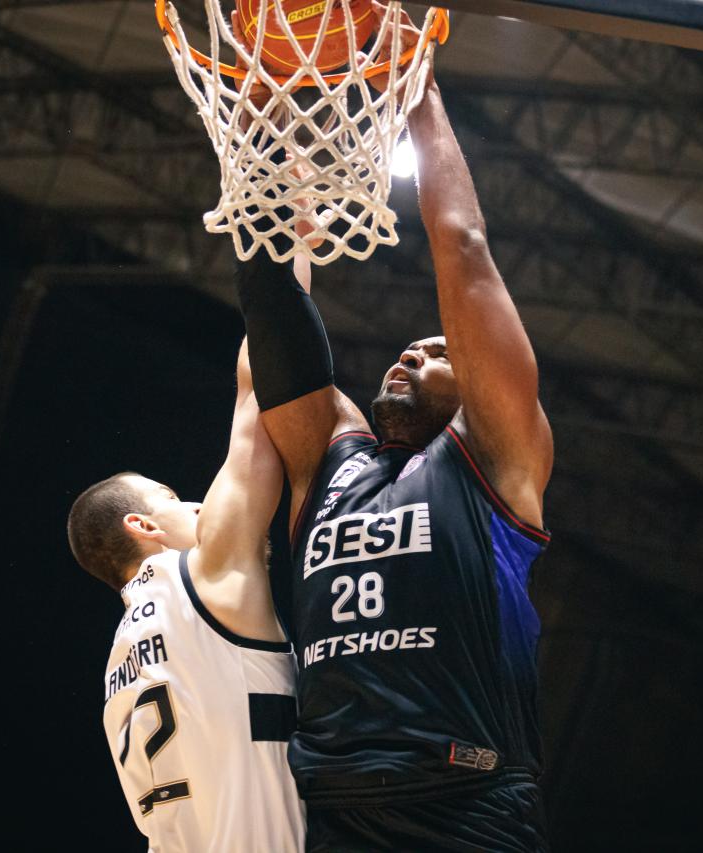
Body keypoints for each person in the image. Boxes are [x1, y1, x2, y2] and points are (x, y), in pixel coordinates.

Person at [234, 60, 555, 852]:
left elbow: (463, 246)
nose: (412, 355)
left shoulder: (498, 463)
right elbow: (273, 306)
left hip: (464, 805)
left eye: (438, 353)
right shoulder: (328, 462)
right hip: (336, 807)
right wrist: (262, 134)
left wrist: (419, 94)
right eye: (408, 351)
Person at [66, 290, 317, 851]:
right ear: (143, 526)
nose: (196, 506)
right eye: (172, 497)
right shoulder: (202, 581)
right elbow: (255, 400)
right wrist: (289, 259)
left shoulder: (118, 667)